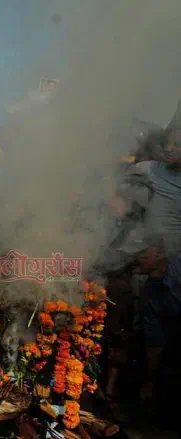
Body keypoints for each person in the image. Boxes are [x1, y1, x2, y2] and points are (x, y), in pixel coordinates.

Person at [114, 128, 181, 402]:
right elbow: (116, 185)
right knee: (146, 325)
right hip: (151, 264)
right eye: (167, 143)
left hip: (176, 263)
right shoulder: (150, 170)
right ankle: (144, 386)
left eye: (177, 144)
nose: (169, 148)